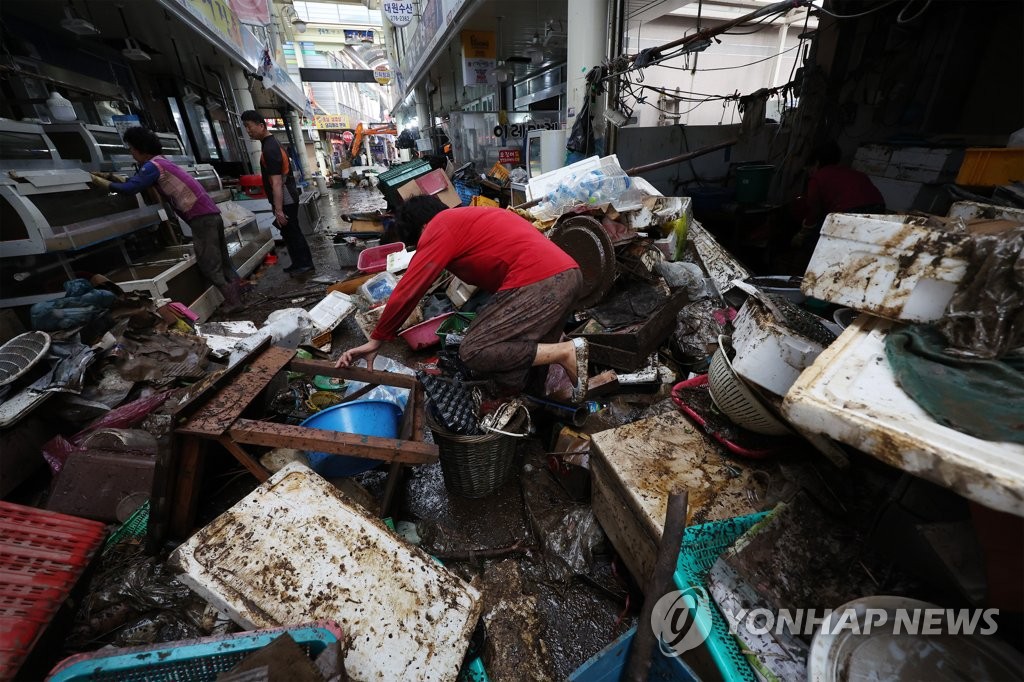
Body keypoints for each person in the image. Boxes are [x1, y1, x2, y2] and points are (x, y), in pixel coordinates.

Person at [336, 197, 592, 403]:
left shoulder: (441, 225)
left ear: (423, 228)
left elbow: (410, 288)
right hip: (568, 277)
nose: (422, 247)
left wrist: (378, 337)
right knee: (528, 358)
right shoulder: (469, 220)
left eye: (419, 243)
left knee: (474, 349)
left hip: (541, 281)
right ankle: (531, 412)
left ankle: (565, 351)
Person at [89, 126, 243, 313]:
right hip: (211, 214)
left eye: (131, 149)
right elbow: (136, 181)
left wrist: (102, 182)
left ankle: (234, 302)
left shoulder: (152, 166)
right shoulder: (161, 162)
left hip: (201, 218)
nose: (131, 154)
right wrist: (112, 177)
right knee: (223, 260)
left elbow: (130, 188)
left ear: (140, 148)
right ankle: (239, 295)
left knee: (209, 264)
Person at [240, 110, 315, 276]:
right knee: (288, 233)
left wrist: (279, 209)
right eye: (245, 127)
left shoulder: (270, 148)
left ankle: (305, 264)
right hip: (285, 196)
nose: (248, 130)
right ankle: (297, 263)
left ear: (261, 125)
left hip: (285, 197)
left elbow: (276, 182)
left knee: (293, 231)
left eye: (249, 126)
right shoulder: (270, 144)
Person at [792, 140, 886, 250]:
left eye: (809, 168)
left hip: (849, 212)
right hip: (878, 209)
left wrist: (803, 232)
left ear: (816, 163)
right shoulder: (853, 172)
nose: (809, 172)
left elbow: (814, 211)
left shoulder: (817, 178)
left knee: (814, 243)